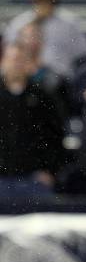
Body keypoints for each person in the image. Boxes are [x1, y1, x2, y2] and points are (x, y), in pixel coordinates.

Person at [0, 43, 65, 199]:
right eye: (12, 59)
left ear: (29, 64)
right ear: (3, 61)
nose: (16, 64)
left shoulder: (43, 97)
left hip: (34, 179)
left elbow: (55, 137)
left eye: (21, 59)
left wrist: (50, 171)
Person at [3, 0, 86, 79]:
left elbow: (83, 56)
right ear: (32, 0)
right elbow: (8, 56)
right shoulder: (19, 24)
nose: (43, 5)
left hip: (61, 81)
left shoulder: (70, 24)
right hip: (25, 81)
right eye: (39, 0)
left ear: (54, 0)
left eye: (47, 0)